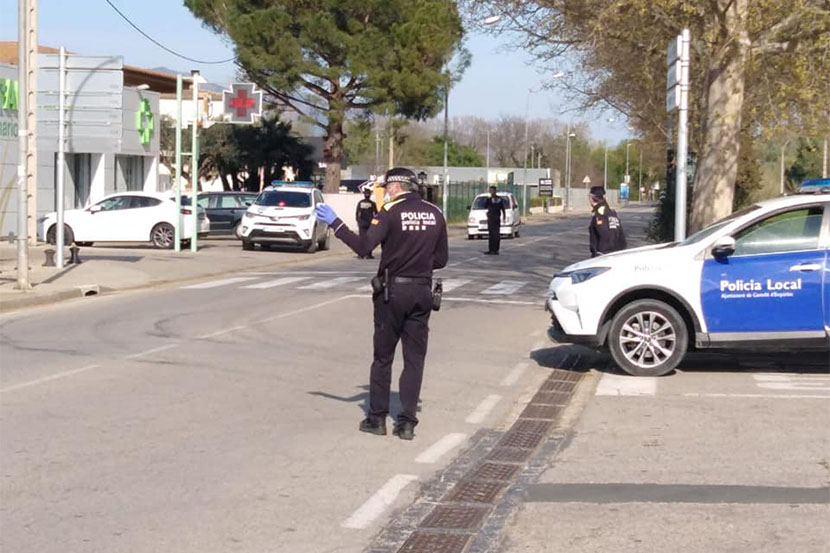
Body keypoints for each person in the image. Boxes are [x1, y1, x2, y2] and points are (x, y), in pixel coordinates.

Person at [315, 167, 448, 440]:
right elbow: (441, 259)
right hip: (422, 291)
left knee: (383, 358)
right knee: (414, 359)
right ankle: (407, 422)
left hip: (392, 293)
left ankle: (377, 419)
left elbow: (364, 247)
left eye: (387, 187)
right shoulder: (435, 213)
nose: (385, 191)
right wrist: (418, 264)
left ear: (398, 186)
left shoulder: (390, 212)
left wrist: (336, 224)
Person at [588, 186, 627, 257]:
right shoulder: (611, 213)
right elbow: (621, 239)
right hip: (617, 254)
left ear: (592, 198)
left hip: (604, 257)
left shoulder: (600, 214)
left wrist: (600, 254)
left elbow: (607, 235)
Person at [355, 188, 378, 259]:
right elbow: (376, 214)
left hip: (362, 223)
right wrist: (375, 223)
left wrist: (358, 221)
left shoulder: (360, 203)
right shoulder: (372, 203)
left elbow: (357, 213)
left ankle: (360, 254)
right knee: (369, 239)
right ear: (370, 195)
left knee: (362, 239)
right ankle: (368, 254)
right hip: (369, 224)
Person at [483, 186, 506, 255]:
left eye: (492, 190)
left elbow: (503, 208)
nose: (491, 192)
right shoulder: (490, 199)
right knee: (492, 234)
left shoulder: (498, 199)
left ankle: (495, 249)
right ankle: (492, 249)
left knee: (496, 235)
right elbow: (485, 206)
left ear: (495, 191)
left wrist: (504, 216)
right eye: (490, 190)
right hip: (491, 219)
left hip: (495, 219)